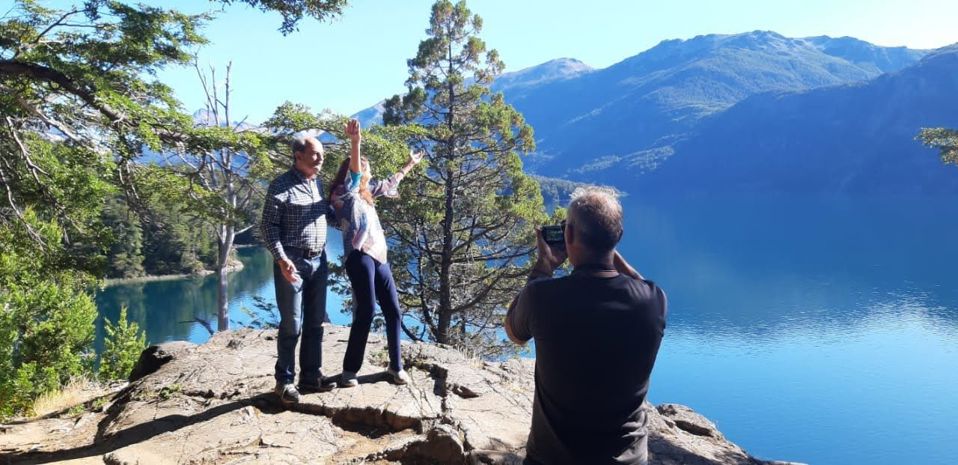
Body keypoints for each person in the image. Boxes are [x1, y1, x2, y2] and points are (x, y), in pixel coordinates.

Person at [505, 187, 668, 465]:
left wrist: (544, 266)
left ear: (568, 235)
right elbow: (640, 283)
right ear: (618, 238)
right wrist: (609, 251)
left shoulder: (542, 297)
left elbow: (514, 332)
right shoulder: (653, 301)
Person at [329, 119, 423, 387]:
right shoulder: (343, 194)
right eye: (362, 168)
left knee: (393, 310)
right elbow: (355, 175)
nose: (366, 172)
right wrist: (355, 143)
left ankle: (396, 367)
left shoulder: (367, 194)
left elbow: (390, 183)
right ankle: (349, 371)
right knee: (367, 309)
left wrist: (409, 165)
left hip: (379, 256)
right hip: (358, 256)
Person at [260, 132, 337, 404]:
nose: (320, 159)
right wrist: (281, 259)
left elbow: (330, 216)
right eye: (316, 154)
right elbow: (267, 226)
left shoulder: (318, 184)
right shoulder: (281, 185)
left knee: (316, 323)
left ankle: (311, 376)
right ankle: (284, 382)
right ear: (298, 155)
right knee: (292, 323)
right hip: (291, 262)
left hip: (319, 260)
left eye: (322, 155)